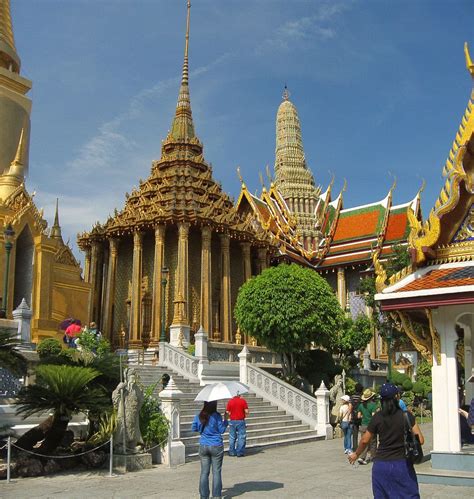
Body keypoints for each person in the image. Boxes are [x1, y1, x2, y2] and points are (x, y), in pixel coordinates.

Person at [348, 383, 424, 499]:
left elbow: (365, 440)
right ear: (397, 397)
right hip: (402, 464)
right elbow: (421, 440)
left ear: (381, 399)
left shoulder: (377, 417)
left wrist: (356, 454)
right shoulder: (406, 416)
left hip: (381, 465)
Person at [192, 400, 228, 499]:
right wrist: (226, 420)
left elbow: (194, 428)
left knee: (204, 472)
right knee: (216, 471)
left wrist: (202, 429)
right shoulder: (216, 416)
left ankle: (204, 496)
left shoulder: (199, 415)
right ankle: (216, 496)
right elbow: (222, 430)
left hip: (204, 445)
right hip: (216, 444)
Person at [356, 388, 378, 464]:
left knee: (364, 441)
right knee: (373, 442)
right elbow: (373, 416)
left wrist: (364, 416)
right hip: (371, 425)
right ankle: (373, 456)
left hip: (363, 425)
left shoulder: (361, 405)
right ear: (371, 397)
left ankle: (362, 457)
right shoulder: (373, 405)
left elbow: (358, 416)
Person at [226, 393, 249, 457]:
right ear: (239, 395)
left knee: (232, 437)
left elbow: (227, 412)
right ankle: (240, 452)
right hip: (240, 420)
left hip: (232, 421)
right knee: (241, 436)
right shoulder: (243, 401)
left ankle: (232, 452)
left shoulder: (230, 401)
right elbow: (247, 411)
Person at [350, 383, 363, 451]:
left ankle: (355, 447)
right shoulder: (362, 397)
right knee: (363, 433)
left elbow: (350, 407)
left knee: (355, 433)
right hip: (361, 416)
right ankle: (363, 447)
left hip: (354, 416)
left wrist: (350, 415)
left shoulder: (352, 397)